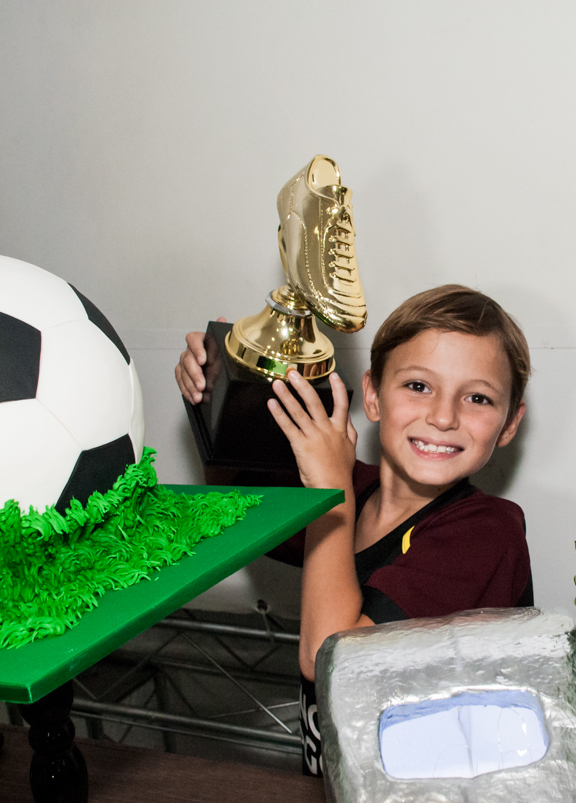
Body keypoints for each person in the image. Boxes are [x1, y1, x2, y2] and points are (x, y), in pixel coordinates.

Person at [175, 285, 533, 774]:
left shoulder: (486, 532)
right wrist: (219, 390)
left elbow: (330, 662)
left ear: (510, 424)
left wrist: (328, 488)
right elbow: (232, 501)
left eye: (477, 398)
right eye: (418, 386)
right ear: (372, 394)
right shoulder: (354, 488)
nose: (444, 417)